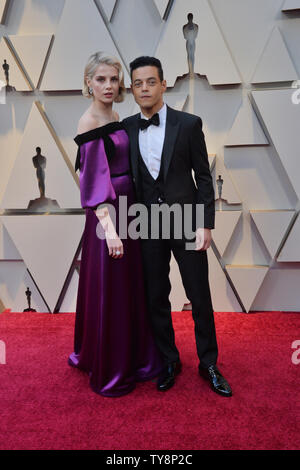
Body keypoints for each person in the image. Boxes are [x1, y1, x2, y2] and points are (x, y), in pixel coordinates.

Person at [123, 56, 232, 397]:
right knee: (156, 296)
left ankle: (209, 363)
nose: (144, 88)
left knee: (198, 295)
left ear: (163, 84)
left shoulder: (188, 124)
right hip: (147, 224)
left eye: (151, 82)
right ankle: (169, 360)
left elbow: (203, 177)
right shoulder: (125, 127)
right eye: (138, 83)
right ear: (132, 88)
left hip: (186, 221)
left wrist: (205, 224)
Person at [68, 52, 162, 397]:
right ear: (88, 83)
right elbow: (91, 183)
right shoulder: (89, 121)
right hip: (108, 216)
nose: (108, 85)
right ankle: (111, 366)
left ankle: (133, 356)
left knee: (128, 287)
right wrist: (110, 232)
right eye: (101, 79)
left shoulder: (115, 113)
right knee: (112, 287)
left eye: (113, 79)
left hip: (128, 207)